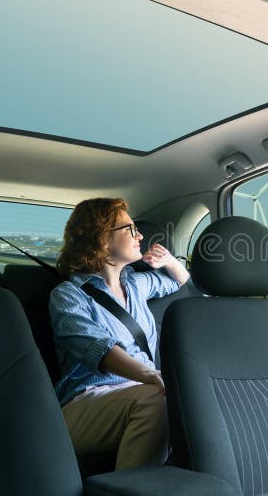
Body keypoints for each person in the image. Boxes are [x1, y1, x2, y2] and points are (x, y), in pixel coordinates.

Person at [49, 197, 190, 471]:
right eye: (129, 229)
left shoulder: (137, 285)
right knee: (160, 399)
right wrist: (153, 375)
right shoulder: (68, 295)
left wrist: (169, 260)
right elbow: (98, 348)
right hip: (88, 400)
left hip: (141, 390)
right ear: (102, 239)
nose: (140, 236)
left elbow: (180, 281)